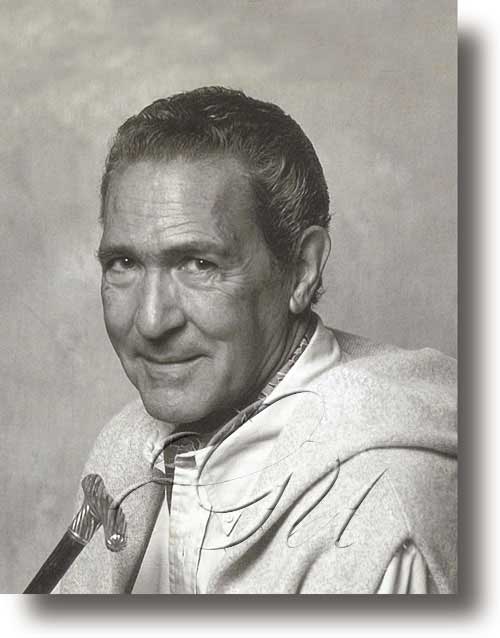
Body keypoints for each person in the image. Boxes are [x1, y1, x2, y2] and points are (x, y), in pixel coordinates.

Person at [58, 86, 456, 594]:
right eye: (124, 263)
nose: (152, 321)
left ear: (302, 270)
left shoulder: (374, 510)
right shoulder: (126, 451)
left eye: (199, 264)